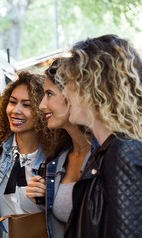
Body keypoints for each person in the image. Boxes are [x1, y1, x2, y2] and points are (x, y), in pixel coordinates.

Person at [56, 34, 142, 237]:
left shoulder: (123, 152)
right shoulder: (108, 151)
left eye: (69, 82)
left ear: (92, 87)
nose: (65, 92)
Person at [25, 59, 98, 237]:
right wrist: (44, 197)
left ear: (73, 95)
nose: (41, 105)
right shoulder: (58, 159)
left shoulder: (107, 156)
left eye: (49, 94)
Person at [0, 71, 52, 237]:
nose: (15, 110)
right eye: (12, 102)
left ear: (42, 110)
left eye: (27, 105)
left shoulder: (54, 157)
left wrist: (49, 198)